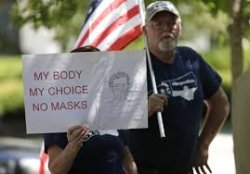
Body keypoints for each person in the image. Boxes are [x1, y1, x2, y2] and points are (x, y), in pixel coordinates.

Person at [124, 1, 230, 174]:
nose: (166, 29)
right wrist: (142, 109)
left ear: (180, 28)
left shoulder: (191, 59)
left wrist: (202, 146)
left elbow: (221, 103)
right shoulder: (131, 67)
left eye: (172, 23)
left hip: (185, 169)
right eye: (158, 24)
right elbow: (110, 119)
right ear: (145, 31)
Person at [43, 46, 138, 174]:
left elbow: (126, 156)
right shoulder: (57, 115)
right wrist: (73, 146)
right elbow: (56, 170)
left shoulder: (109, 109)